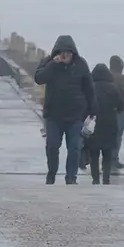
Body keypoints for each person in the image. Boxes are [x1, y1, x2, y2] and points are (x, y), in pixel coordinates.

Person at [33, 35, 96, 185]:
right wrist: (53, 64)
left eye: (68, 52)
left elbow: (89, 88)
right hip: (54, 115)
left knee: (74, 148)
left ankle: (71, 177)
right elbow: (39, 78)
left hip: (75, 115)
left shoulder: (81, 64)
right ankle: (52, 173)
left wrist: (93, 110)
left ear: (73, 52)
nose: (65, 55)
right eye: (62, 52)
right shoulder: (49, 62)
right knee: (52, 146)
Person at [84, 63, 124, 184]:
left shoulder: (90, 87)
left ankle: (95, 179)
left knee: (94, 154)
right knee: (107, 153)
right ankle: (106, 178)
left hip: (93, 123)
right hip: (109, 124)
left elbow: (84, 105)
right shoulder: (113, 88)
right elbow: (120, 106)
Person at [109, 55, 124, 170]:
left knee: (107, 135)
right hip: (120, 111)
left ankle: (107, 159)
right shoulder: (122, 78)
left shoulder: (106, 76)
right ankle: (114, 159)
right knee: (117, 136)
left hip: (107, 111)